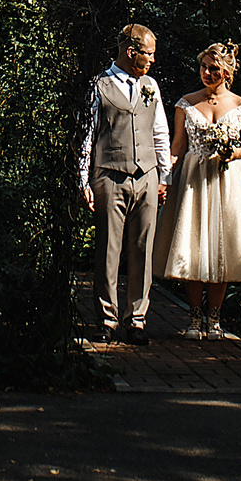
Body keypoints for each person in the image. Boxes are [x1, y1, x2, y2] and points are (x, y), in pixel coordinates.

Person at [155, 40, 241, 338]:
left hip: (227, 181)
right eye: (203, 67)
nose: (206, 73)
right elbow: (177, 146)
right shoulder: (186, 103)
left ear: (227, 72)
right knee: (193, 246)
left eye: (214, 69)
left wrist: (233, 153)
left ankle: (215, 320)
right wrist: (165, 177)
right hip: (193, 182)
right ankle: (195, 319)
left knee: (222, 248)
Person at [76, 23, 168, 344]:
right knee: (108, 250)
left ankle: (137, 319)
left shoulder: (151, 86)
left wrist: (164, 177)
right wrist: (83, 180)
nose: (152, 60)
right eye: (149, 54)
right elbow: (86, 135)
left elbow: (160, 132)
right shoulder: (98, 85)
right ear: (131, 52)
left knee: (143, 249)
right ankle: (107, 319)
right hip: (109, 175)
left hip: (147, 176)